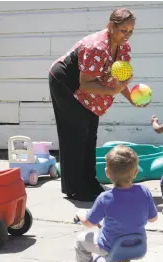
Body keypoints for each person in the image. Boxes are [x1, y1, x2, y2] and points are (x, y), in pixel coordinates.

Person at [48, 8, 145, 202]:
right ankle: (77, 188)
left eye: (130, 31)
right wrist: (112, 91)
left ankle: (89, 182)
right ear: (111, 26)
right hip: (66, 81)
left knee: (90, 131)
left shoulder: (124, 48)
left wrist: (131, 98)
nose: (127, 35)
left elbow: (120, 80)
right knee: (76, 133)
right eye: (122, 30)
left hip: (85, 84)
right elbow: (86, 83)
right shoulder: (96, 47)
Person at [74, 145, 158, 262]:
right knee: (104, 228)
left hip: (111, 246)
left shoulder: (105, 198)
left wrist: (80, 214)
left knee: (80, 241)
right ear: (135, 172)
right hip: (138, 246)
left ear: (107, 173)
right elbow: (153, 219)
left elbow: (88, 223)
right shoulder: (144, 191)